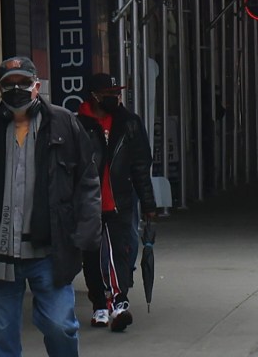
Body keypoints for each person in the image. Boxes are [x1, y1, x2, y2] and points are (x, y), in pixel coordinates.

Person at [0, 57, 101, 357]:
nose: (16, 89)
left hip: (48, 251)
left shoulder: (63, 122)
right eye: (8, 84)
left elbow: (87, 180)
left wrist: (85, 235)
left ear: (37, 86)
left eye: (22, 82)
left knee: (60, 326)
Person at [73, 74, 155, 332]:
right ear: (95, 96)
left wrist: (150, 205)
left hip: (120, 200)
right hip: (87, 202)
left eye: (117, 92)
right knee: (93, 257)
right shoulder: (77, 125)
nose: (115, 97)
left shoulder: (129, 123)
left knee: (119, 251)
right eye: (109, 92)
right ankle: (99, 303)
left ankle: (120, 302)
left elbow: (141, 166)